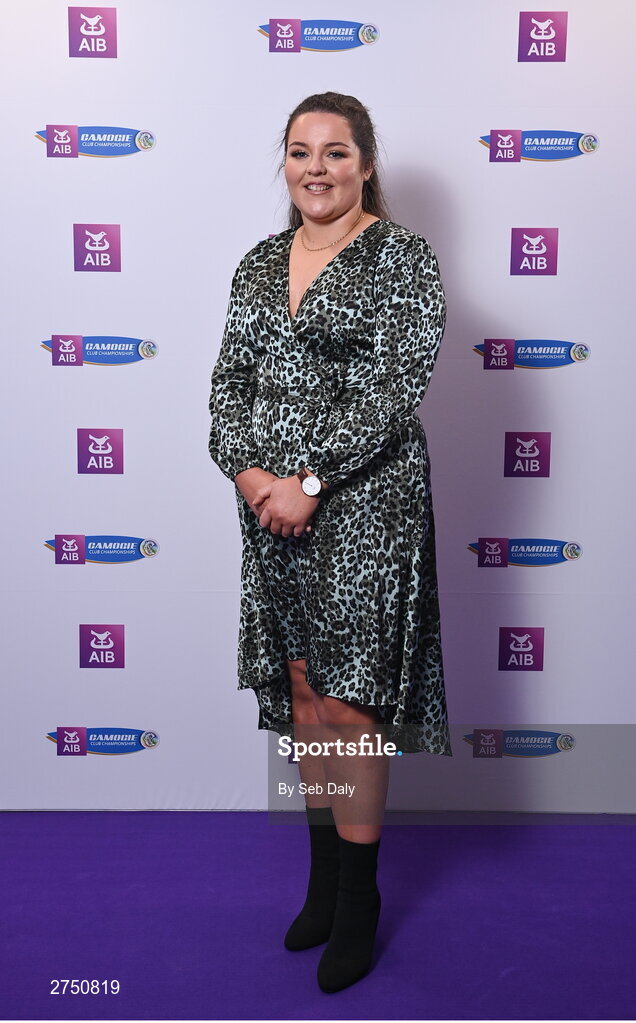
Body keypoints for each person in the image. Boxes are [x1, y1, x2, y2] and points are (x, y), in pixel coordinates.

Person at [208, 91, 452, 993]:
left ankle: (359, 899)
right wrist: (251, 477)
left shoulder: (401, 259)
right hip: (269, 508)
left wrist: (308, 482)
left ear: (367, 164)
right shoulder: (258, 263)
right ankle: (319, 882)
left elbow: (396, 386)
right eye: (302, 151)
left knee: (350, 703)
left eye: (337, 152)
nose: (318, 168)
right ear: (285, 163)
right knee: (304, 688)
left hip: (364, 505)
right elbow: (227, 387)